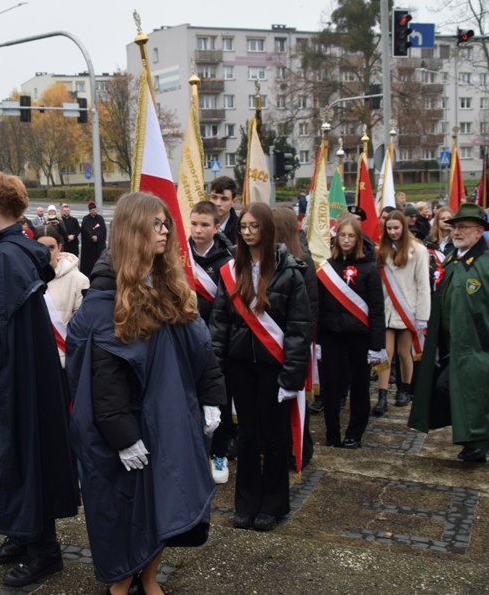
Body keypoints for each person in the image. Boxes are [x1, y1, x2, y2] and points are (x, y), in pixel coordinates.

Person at [66, 192, 225, 595]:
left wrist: (211, 396)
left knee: (162, 506)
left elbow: (199, 347)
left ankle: (150, 581)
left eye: (166, 223)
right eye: (156, 224)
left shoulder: (170, 283)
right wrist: (123, 436)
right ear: (133, 230)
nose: (166, 230)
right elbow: (104, 380)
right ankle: (121, 585)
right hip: (129, 429)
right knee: (126, 515)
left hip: (169, 420)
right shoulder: (108, 294)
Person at [0, 173, 78, 589]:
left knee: (24, 457)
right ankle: (21, 534)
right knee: (16, 459)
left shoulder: (6, 256)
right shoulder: (12, 250)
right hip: (23, 376)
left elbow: (6, 331)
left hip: (15, 380)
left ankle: (44, 551)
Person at [209, 202, 311, 532]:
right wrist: (216, 368)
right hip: (241, 367)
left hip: (274, 367)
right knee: (248, 437)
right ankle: (246, 504)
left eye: (255, 227)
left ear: (267, 230)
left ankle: (274, 504)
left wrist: (293, 376)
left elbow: (298, 328)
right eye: (244, 227)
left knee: (275, 437)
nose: (249, 233)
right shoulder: (231, 269)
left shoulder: (290, 271)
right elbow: (220, 323)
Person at [409, 204, 489, 463]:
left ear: (479, 232)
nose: (457, 231)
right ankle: (469, 436)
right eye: (455, 226)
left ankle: (478, 444)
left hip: (478, 344)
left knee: (475, 391)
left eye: (463, 227)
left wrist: (483, 335)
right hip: (451, 343)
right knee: (451, 388)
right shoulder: (454, 258)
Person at [316, 216, 386, 449]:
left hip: (359, 336)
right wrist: (316, 338)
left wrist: (377, 346)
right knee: (331, 385)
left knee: (359, 385)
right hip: (331, 334)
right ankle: (332, 433)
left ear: (358, 238)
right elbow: (318, 305)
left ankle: (354, 433)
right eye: (342, 236)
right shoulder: (327, 267)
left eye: (351, 236)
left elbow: (377, 309)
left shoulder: (370, 268)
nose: (346, 240)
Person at [189, 200, 235, 484]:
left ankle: (219, 452)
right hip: (186, 338)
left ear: (217, 227)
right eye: (194, 223)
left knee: (218, 399)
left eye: (205, 225)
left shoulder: (227, 259)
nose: (198, 230)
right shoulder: (179, 255)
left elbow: (229, 307)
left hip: (217, 341)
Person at [271, 206, 317, 470]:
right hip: (274, 340)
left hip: (294, 342)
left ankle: (301, 448)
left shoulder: (303, 261)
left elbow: (311, 307)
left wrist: (307, 341)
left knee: (296, 399)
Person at [375, 210, 430, 415]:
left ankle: (404, 390)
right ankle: (382, 395)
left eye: (396, 228)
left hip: (408, 310)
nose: (393, 232)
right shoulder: (382, 249)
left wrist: (423, 316)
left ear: (403, 227)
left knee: (403, 352)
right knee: (385, 353)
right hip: (387, 310)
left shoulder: (418, 250)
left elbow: (423, 285)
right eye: (389, 228)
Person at [34, 225, 88, 367]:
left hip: (64, 360)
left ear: (60, 247)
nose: (46, 252)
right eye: (41, 247)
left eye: (51, 248)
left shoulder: (79, 280)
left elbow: (82, 326)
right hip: (34, 358)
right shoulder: (24, 278)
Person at [80, 201, 107, 278]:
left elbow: (103, 229)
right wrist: (91, 236)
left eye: (95, 210)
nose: (94, 211)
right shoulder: (86, 219)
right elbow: (85, 229)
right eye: (93, 210)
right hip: (89, 246)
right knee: (88, 263)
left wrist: (97, 236)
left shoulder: (100, 218)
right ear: (90, 211)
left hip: (98, 245)